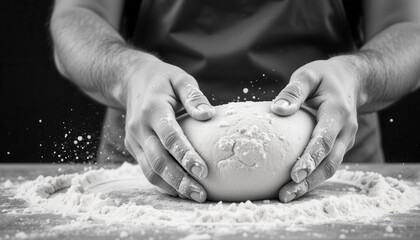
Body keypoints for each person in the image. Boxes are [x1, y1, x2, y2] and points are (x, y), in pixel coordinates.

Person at [50, 0, 420, 203]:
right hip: (152, 165)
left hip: (330, 169)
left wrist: (357, 75)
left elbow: (408, 31)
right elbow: (77, 17)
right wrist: (128, 73)